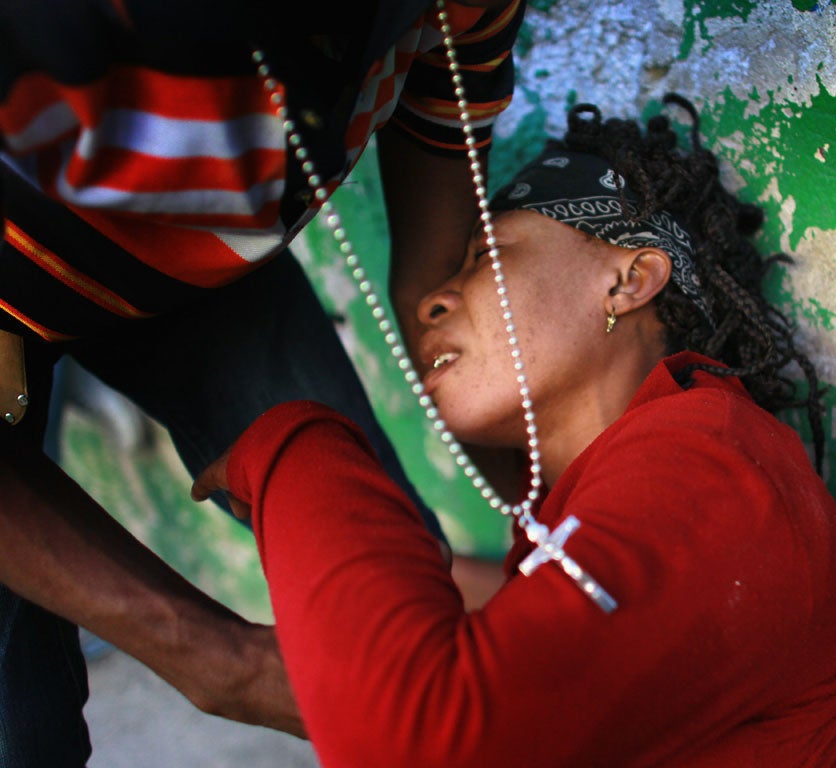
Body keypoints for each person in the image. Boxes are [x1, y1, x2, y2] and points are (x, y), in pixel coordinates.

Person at [192, 99, 836, 767]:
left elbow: (426, 742)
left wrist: (297, 445)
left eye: (488, 254)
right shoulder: (610, 486)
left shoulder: (716, 462)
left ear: (629, 280)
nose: (438, 299)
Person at [0, 0, 523, 764]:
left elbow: (432, 284)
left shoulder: (444, 11)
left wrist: (548, 527)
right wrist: (218, 658)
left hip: (188, 265)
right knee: (24, 728)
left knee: (391, 580)